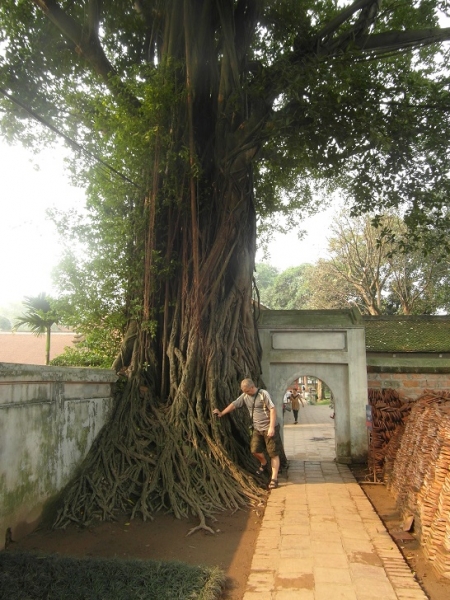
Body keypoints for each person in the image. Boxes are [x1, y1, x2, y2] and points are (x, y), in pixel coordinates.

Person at [213, 378, 282, 490]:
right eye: (244, 391)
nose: (245, 393)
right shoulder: (245, 396)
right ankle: (264, 463)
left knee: (273, 453)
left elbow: (272, 410)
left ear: (252, 387)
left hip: (268, 427)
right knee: (254, 450)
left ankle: (274, 478)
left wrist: (271, 427)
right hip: (257, 428)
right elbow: (234, 404)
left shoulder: (263, 394)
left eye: (247, 391)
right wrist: (221, 413)